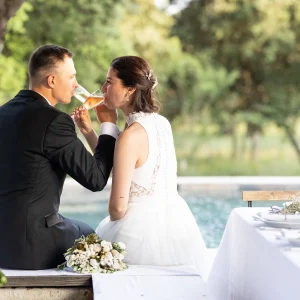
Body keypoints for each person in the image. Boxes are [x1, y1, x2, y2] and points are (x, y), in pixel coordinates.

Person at [73, 56, 209, 277]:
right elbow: (124, 163)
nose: (102, 89)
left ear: (129, 89)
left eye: (109, 82)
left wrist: (108, 125)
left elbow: (117, 209)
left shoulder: (130, 136)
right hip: (174, 223)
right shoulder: (162, 123)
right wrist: (90, 131)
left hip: (139, 235)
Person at [0, 45, 118, 270]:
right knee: (92, 235)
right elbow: (96, 179)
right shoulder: (55, 121)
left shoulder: (3, 113)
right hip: (30, 248)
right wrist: (108, 126)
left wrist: (86, 132)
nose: (76, 84)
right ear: (52, 80)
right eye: (72, 76)